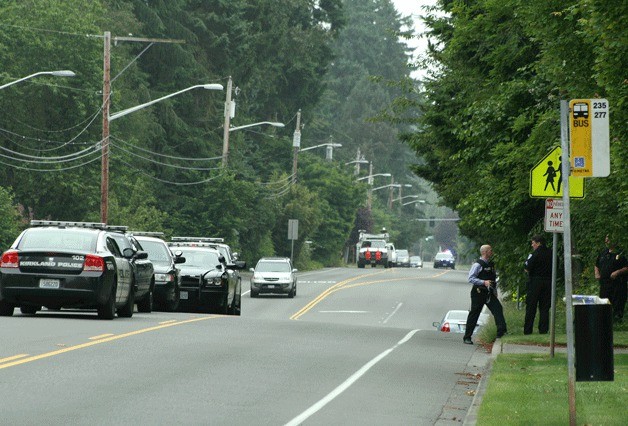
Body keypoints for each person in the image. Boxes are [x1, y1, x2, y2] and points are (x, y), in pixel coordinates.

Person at [463, 245, 507, 344]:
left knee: (498, 309)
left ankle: (502, 332)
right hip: (478, 292)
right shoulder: (478, 265)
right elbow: (471, 278)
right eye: (490, 250)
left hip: (489, 292)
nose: (492, 252)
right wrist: (483, 282)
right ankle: (467, 337)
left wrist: (494, 290)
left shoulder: (491, 265)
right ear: (485, 252)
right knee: (474, 313)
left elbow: (493, 279)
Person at [523, 235, 553, 334]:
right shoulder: (552, 253)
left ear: (538, 243)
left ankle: (528, 330)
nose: (532, 245)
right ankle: (543, 330)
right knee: (544, 308)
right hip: (548, 282)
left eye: (533, 243)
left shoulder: (534, 254)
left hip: (535, 282)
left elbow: (527, 268)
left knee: (531, 307)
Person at [595, 234, 628, 322]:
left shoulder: (621, 253)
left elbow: (626, 267)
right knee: (604, 303)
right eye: (606, 239)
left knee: (617, 304)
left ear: (614, 241)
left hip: (618, 284)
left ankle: (617, 321)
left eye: (608, 240)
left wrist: (617, 272)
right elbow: (597, 264)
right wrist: (597, 273)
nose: (606, 241)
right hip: (604, 284)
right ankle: (604, 321)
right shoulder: (603, 252)